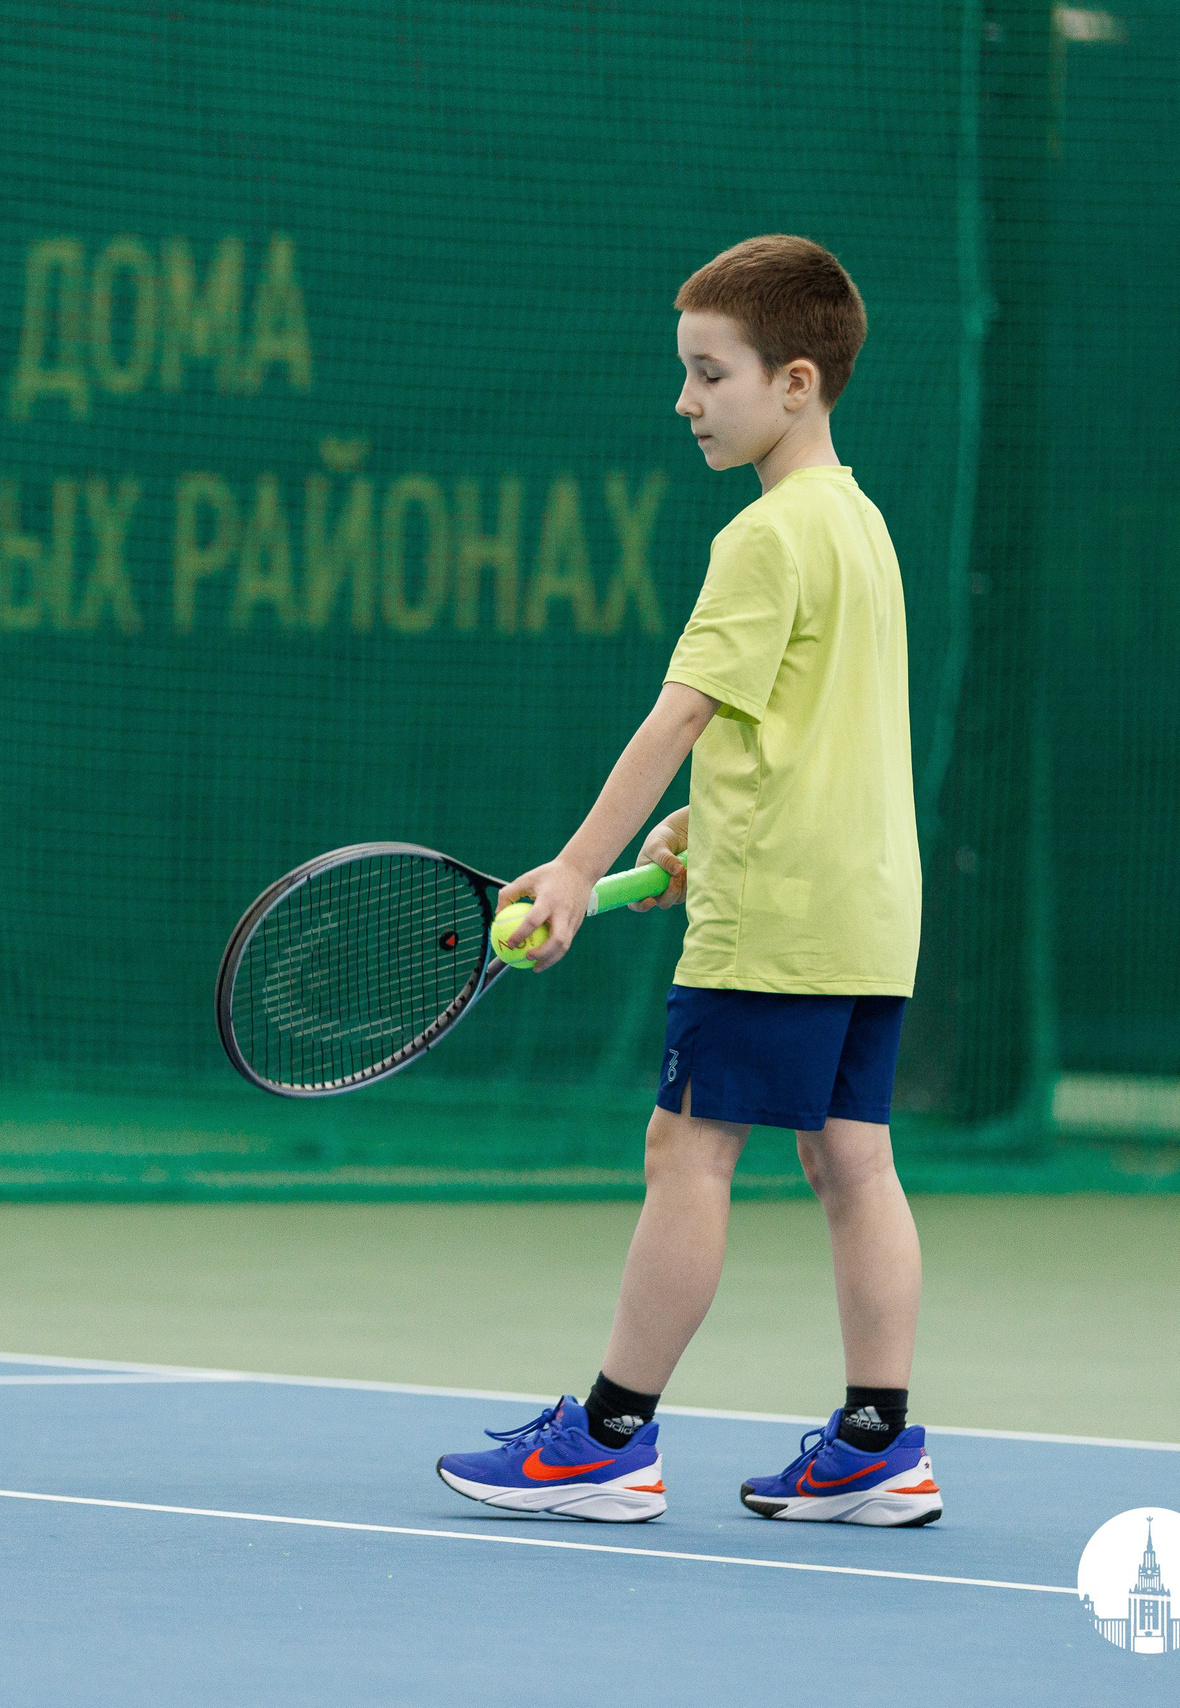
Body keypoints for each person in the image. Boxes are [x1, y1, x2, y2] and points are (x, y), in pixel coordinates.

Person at [434, 235, 936, 1527]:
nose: (686, 402)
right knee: (854, 1163)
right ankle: (881, 1442)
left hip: (773, 924)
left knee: (687, 1151)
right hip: (868, 910)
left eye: (710, 374)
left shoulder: (765, 539)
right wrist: (696, 840)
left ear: (799, 384)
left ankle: (609, 1437)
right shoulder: (862, 527)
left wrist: (574, 869)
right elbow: (810, 736)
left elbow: (682, 717)